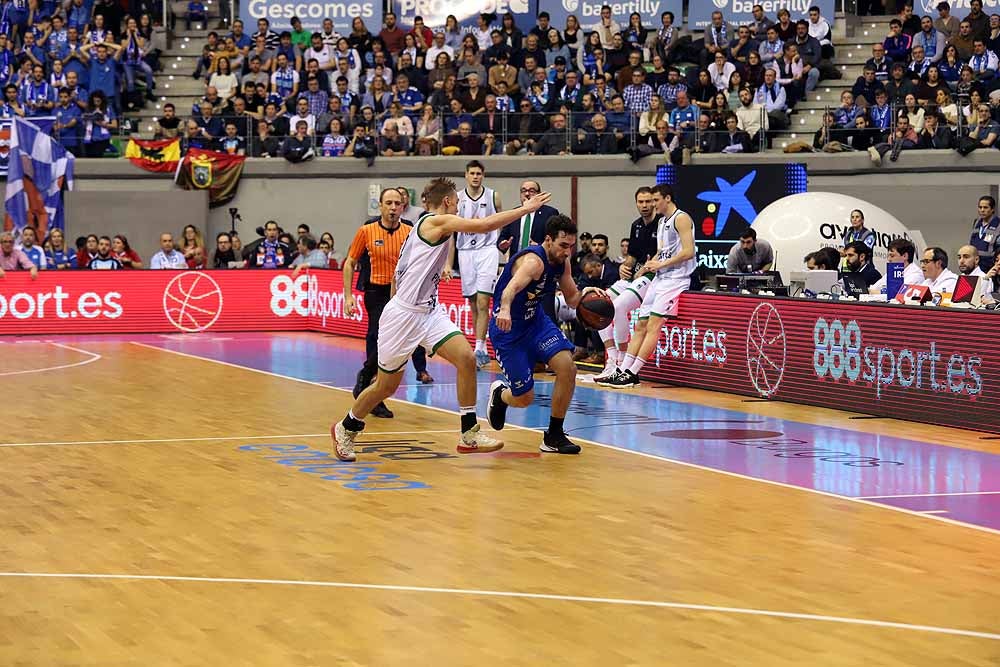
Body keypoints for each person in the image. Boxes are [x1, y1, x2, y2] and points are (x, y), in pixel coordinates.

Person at [331, 178, 552, 462]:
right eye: (457, 202)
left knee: (467, 359)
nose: (459, 206)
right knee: (385, 386)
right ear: (447, 201)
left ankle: (468, 433)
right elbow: (484, 226)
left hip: (428, 312)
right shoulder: (434, 222)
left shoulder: (428, 226)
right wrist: (526, 209)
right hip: (403, 316)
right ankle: (345, 428)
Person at [486, 215, 604, 455]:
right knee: (524, 398)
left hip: (536, 322)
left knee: (567, 368)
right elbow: (510, 289)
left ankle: (554, 435)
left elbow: (571, 298)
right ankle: (501, 395)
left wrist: (586, 295)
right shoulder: (533, 262)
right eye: (563, 245)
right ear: (548, 240)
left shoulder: (563, 261)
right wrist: (506, 310)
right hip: (508, 328)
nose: (567, 251)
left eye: (571, 246)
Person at [343, 188, 432, 419]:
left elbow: (422, 260)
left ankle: (366, 376)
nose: (393, 207)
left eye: (397, 203)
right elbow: (350, 262)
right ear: (380, 206)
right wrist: (348, 296)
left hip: (403, 294)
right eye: (388, 203)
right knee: (378, 337)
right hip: (376, 292)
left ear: (404, 207)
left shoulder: (411, 232)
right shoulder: (366, 231)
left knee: (398, 341)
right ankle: (375, 394)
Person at [595, 186, 661, 384]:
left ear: (655, 202)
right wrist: (625, 266)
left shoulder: (663, 223)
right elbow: (632, 257)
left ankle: (623, 359)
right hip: (635, 277)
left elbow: (665, 252)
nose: (645, 205)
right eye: (641, 202)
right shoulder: (636, 225)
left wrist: (646, 267)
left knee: (618, 307)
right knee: (598, 304)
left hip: (652, 278)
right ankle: (612, 359)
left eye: (648, 201)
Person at [451, 160, 502, 369]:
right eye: (472, 173)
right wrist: (447, 263)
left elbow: (501, 220)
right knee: (473, 302)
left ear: (483, 175)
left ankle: (481, 346)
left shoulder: (493, 196)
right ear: (465, 175)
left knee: (483, 301)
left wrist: (503, 245)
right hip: (465, 252)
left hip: (487, 250)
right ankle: (477, 345)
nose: (475, 176)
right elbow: (450, 233)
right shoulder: (458, 199)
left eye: (479, 173)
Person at [969, 194, 1000, 272]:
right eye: (980, 207)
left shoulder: (998, 224)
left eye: (985, 207)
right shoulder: (976, 222)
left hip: (991, 267)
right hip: (975, 267)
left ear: (992, 209)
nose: (982, 210)